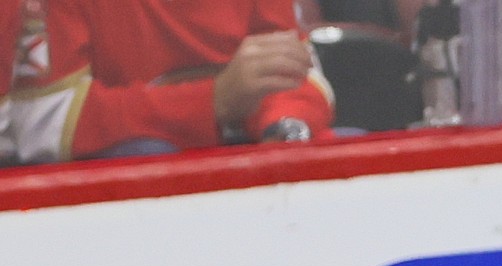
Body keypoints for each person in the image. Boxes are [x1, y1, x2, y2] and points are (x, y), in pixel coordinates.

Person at [12, 0, 331, 162]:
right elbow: (44, 124)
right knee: (147, 155)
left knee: (343, 144)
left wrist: (284, 131)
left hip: (243, 147)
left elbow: (297, 73)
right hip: (119, 177)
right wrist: (213, 101)